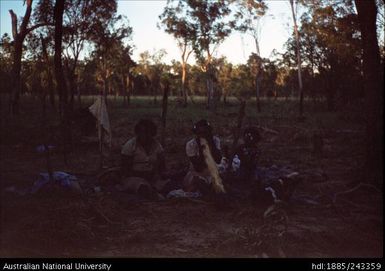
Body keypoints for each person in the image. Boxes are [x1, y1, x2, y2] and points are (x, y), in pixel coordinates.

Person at [119, 119, 167, 199]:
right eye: (144, 133)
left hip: (152, 177)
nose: (146, 136)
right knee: (142, 187)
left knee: (168, 184)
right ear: (138, 133)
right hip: (133, 177)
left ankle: (154, 192)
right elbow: (125, 169)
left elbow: (162, 167)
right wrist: (142, 175)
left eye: (149, 133)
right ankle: (153, 194)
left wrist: (158, 175)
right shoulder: (130, 146)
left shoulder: (157, 146)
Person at [183, 119, 225, 196]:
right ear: (196, 134)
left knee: (221, 179)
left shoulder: (215, 140)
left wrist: (211, 143)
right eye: (200, 133)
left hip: (212, 171)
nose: (204, 135)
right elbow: (198, 168)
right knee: (198, 181)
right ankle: (210, 196)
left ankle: (214, 194)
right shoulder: (191, 145)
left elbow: (218, 160)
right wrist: (202, 147)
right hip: (197, 174)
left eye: (206, 132)